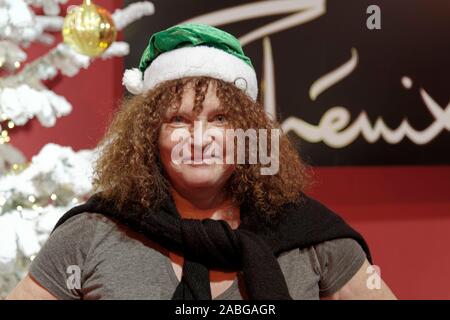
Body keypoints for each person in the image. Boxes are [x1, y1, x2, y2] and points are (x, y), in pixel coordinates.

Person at [7, 24, 396, 300]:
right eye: (178, 120)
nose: (199, 138)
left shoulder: (313, 235)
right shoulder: (92, 232)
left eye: (221, 119)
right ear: (149, 135)